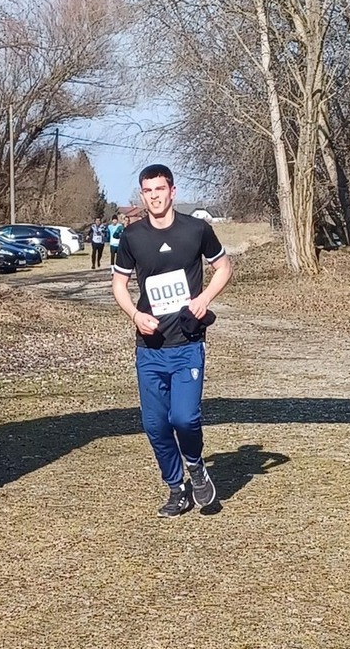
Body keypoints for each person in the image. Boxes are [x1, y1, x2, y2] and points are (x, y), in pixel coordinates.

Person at [111, 164, 233, 517]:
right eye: (148, 191)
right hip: (150, 347)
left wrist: (204, 298)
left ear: (172, 191)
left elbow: (224, 267)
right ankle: (176, 488)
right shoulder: (132, 236)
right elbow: (119, 284)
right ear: (142, 195)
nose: (154, 196)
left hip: (187, 343)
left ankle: (195, 464)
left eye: (160, 189)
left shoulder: (196, 229)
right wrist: (135, 315)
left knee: (184, 418)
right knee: (155, 425)